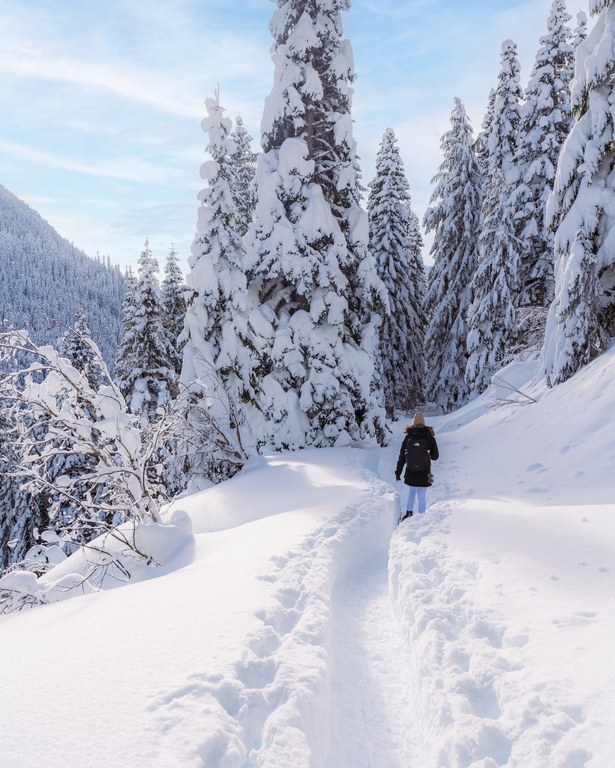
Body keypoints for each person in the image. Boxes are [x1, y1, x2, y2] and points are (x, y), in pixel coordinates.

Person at [395, 411, 439, 521]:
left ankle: (409, 513)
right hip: (424, 471)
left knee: (411, 492)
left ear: (413, 423)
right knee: (421, 495)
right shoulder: (429, 436)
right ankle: (421, 517)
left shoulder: (408, 436)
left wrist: (398, 471)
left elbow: (402, 456)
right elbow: (435, 456)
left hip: (411, 471)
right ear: (424, 423)